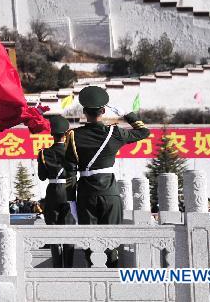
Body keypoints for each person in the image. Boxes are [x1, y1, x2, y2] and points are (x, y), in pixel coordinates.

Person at [64, 86, 150, 267]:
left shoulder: (73, 136)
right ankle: (112, 276)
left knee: (90, 240)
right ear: (103, 111)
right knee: (112, 239)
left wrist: (71, 201)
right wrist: (127, 114)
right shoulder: (115, 133)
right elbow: (144, 132)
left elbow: (70, 171)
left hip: (86, 193)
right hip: (110, 193)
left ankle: (94, 274)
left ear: (84, 111)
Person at [37, 114, 76, 268]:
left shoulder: (43, 153)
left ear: (51, 134)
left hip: (52, 191)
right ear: (66, 134)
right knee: (69, 231)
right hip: (69, 191)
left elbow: (42, 176)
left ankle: (57, 266)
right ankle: (68, 267)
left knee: (53, 230)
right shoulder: (73, 151)